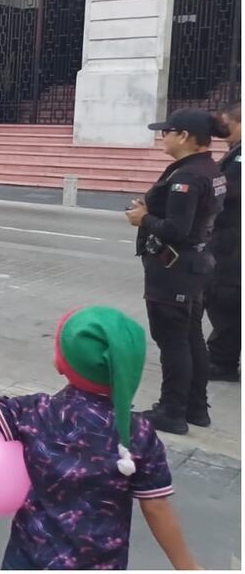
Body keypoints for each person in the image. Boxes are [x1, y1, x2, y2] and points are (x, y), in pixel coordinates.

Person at [0, 306, 199, 570]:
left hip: (28, 557)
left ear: (60, 364)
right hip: (100, 564)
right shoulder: (137, 433)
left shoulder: (37, 410)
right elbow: (156, 507)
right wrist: (186, 565)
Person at [127, 108, 228, 434]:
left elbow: (176, 230)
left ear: (184, 136)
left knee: (173, 341)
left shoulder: (187, 176)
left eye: (167, 131)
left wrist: (143, 219)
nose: (163, 136)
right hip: (195, 266)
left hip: (175, 269)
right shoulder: (208, 168)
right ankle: (195, 407)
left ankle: (171, 410)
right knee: (190, 336)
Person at [207, 102, 241, 382]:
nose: (222, 128)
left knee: (224, 297)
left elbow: (229, 192)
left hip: (232, 239)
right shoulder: (235, 153)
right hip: (229, 237)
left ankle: (222, 361)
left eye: (227, 122)